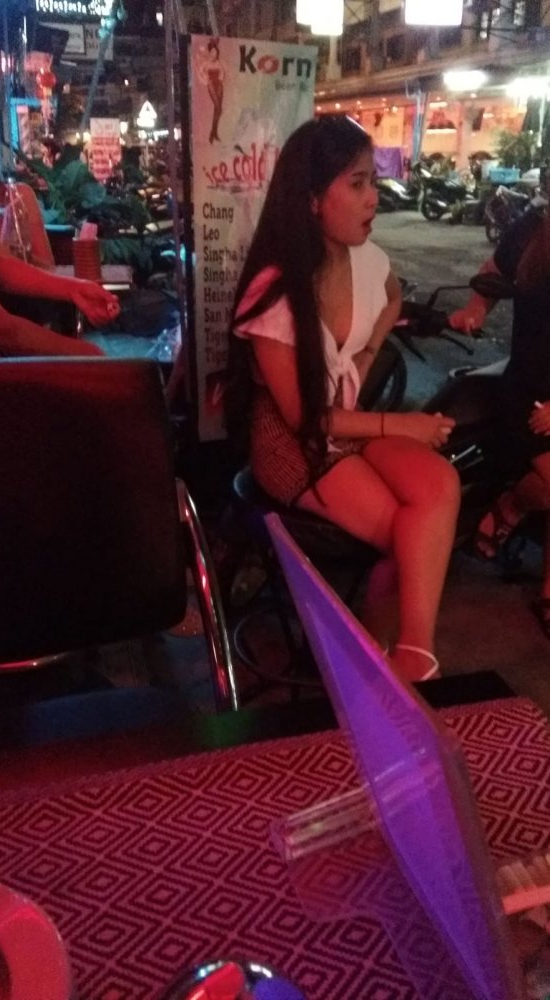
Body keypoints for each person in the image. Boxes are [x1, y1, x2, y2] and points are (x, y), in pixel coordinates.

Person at [225, 115, 459, 683]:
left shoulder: (365, 260)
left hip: (345, 424)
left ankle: (410, 653)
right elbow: (305, 418)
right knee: (406, 535)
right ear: (311, 199)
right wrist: (401, 425)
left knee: (440, 484)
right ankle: (375, 658)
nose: (373, 197)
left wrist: (366, 354)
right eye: (357, 183)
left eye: (372, 181)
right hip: (292, 442)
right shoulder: (275, 291)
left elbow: (392, 296)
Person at [450, 197, 550, 638]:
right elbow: (492, 272)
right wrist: (476, 309)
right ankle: (514, 506)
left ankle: (512, 507)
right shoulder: (532, 229)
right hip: (528, 391)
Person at [0, 151, 120, 329]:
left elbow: (1, 268)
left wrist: (76, 289)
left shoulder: (17, 196)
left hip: (27, 312)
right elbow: (4, 331)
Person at [197, 40, 225, 144]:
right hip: (211, 85)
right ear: (210, 53)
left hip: (219, 85)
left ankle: (214, 133)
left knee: (218, 109)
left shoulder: (219, 63)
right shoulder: (206, 63)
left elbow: (223, 72)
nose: (214, 54)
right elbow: (200, 72)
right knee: (218, 107)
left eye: (215, 52)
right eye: (212, 52)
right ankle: (213, 133)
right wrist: (206, 80)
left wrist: (221, 78)